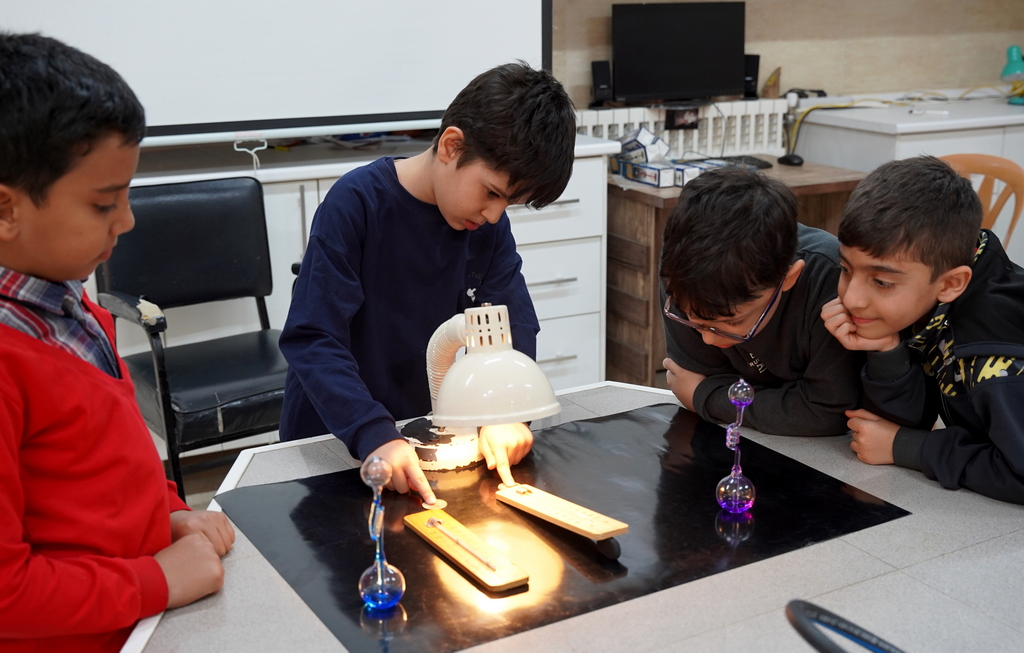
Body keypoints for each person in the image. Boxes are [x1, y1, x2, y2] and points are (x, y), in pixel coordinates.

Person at [0, 33, 234, 652]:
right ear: (6, 210)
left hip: (140, 623)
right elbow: (6, 594)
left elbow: (113, 458)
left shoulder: (65, 298)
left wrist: (169, 511)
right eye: (104, 203)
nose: (127, 220)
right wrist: (156, 580)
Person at [280, 62, 576, 499]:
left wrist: (507, 412)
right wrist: (371, 431)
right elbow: (313, 338)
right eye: (492, 193)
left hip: (425, 437)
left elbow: (510, 324)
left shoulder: (487, 227)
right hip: (335, 439)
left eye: (510, 203)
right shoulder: (356, 204)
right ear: (452, 146)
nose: (494, 214)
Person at [821, 156, 1024, 505]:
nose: (851, 298)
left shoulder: (993, 360)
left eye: (881, 282)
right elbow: (897, 426)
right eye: (846, 269)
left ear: (951, 284)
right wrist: (887, 351)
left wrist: (912, 448)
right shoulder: (932, 285)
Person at [660, 167, 861, 435]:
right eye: (694, 321)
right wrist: (782, 403)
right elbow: (703, 377)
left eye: (733, 322)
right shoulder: (682, 275)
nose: (707, 339)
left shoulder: (831, 280)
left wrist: (704, 397)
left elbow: (827, 411)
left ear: (789, 278)